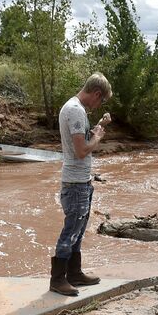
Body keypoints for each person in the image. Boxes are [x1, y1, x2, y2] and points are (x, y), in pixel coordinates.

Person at [50, 73, 113, 297]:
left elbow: (81, 140)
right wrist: (97, 138)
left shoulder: (75, 109)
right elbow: (81, 150)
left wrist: (97, 127)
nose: (99, 105)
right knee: (71, 231)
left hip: (80, 181)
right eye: (101, 100)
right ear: (96, 94)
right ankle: (58, 280)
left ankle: (74, 273)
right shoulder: (76, 111)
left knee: (77, 231)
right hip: (75, 183)